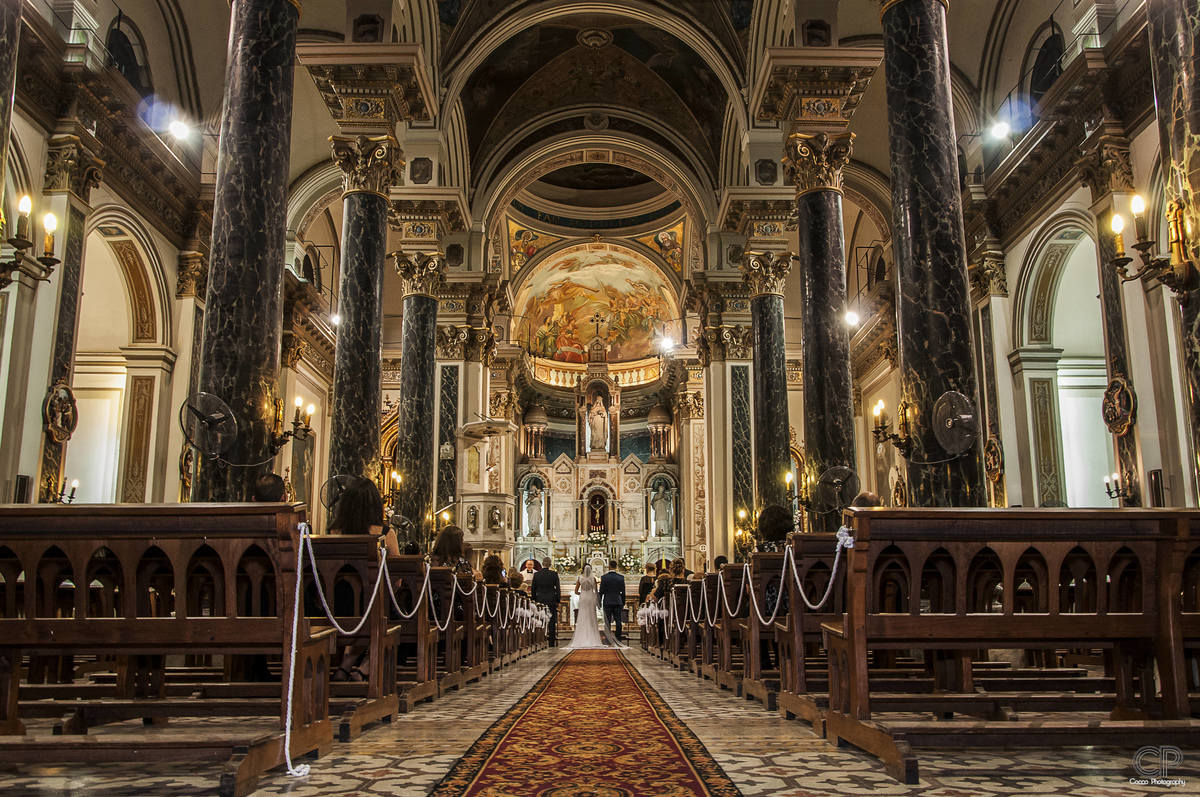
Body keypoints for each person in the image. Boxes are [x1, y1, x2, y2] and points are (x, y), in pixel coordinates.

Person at [326, 477, 399, 682]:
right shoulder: (385, 534)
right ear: (375, 504)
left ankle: (347, 667)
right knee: (389, 614)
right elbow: (397, 579)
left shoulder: (333, 532)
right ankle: (359, 668)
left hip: (335, 603)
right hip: (370, 605)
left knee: (366, 606)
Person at [567, 565, 605, 649]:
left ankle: (581, 638)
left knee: (583, 616)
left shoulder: (580, 578)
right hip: (590, 597)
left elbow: (576, 591)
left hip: (583, 598)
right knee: (591, 616)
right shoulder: (593, 579)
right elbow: (596, 591)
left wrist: (582, 593)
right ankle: (593, 638)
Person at [530, 557, 561, 646]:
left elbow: (533, 589)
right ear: (550, 564)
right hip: (551, 599)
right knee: (551, 620)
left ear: (542, 564)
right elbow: (558, 588)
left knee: (540, 618)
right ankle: (551, 641)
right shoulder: (554, 574)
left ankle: (540, 640)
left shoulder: (537, 575)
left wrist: (534, 600)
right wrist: (558, 600)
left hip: (540, 599)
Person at [599, 560, 627, 642]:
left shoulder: (604, 577)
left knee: (607, 621)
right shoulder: (621, 577)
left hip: (607, 601)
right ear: (616, 567)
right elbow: (623, 592)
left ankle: (608, 639)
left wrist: (599, 602)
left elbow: (601, 591)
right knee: (618, 620)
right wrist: (623, 602)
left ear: (609, 567)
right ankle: (618, 639)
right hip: (618, 601)